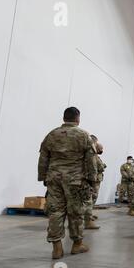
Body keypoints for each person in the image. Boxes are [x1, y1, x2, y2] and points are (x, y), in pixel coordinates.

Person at [38, 107, 96, 259]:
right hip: (75, 180)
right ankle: (77, 245)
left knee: (55, 211)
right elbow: (91, 160)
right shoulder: (84, 135)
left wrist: (43, 177)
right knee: (76, 211)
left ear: (64, 118)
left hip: (54, 178)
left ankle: (57, 248)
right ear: (78, 119)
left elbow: (43, 158)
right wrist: (92, 179)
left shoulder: (52, 134)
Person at [83, 138, 105, 230]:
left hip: (81, 178)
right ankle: (87, 221)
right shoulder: (91, 152)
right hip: (89, 179)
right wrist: (92, 180)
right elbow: (95, 167)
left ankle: (87, 217)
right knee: (89, 199)